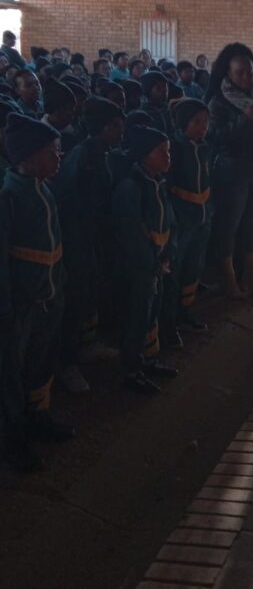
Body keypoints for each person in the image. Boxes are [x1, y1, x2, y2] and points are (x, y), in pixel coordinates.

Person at [0, 113, 74, 467]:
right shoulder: (9, 198)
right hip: (21, 305)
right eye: (51, 151)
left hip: (48, 297)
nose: (59, 157)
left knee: (40, 361)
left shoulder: (45, 190)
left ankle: (37, 415)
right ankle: (13, 438)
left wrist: (58, 286)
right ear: (28, 158)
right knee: (11, 374)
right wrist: (6, 309)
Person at [53, 97, 124, 394]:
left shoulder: (100, 153)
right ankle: (66, 364)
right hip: (77, 240)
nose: (121, 131)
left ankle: (84, 345)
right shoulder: (81, 157)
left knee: (88, 294)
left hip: (91, 237)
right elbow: (70, 203)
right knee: (74, 299)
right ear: (105, 128)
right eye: (117, 126)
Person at [206, 42, 253, 299]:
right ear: (227, 73)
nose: (246, 77)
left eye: (249, 71)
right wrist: (243, 118)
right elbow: (215, 138)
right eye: (239, 73)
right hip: (232, 169)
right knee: (229, 225)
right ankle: (228, 281)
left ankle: (251, 277)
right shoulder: (219, 101)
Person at [112, 124, 178, 394]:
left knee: (152, 312)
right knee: (137, 317)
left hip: (157, 263)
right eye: (161, 151)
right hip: (140, 267)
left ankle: (148, 358)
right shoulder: (131, 188)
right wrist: (152, 264)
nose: (168, 156)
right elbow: (130, 235)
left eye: (168, 150)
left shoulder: (158, 182)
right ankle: (131, 370)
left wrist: (168, 254)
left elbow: (170, 221)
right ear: (145, 155)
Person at [165, 99, 212, 332]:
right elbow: (169, 188)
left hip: (202, 218)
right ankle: (169, 319)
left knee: (194, 265)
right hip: (183, 221)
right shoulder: (175, 149)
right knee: (176, 268)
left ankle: (186, 310)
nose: (203, 127)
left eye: (206, 121)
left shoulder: (204, 148)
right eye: (197, 122)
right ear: (184, 123)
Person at [141, 70, 173, 136]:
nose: (164, 91)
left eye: (165, 87)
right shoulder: (143, 114)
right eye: (158, 88)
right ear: (148, 91)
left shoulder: (169, 109)